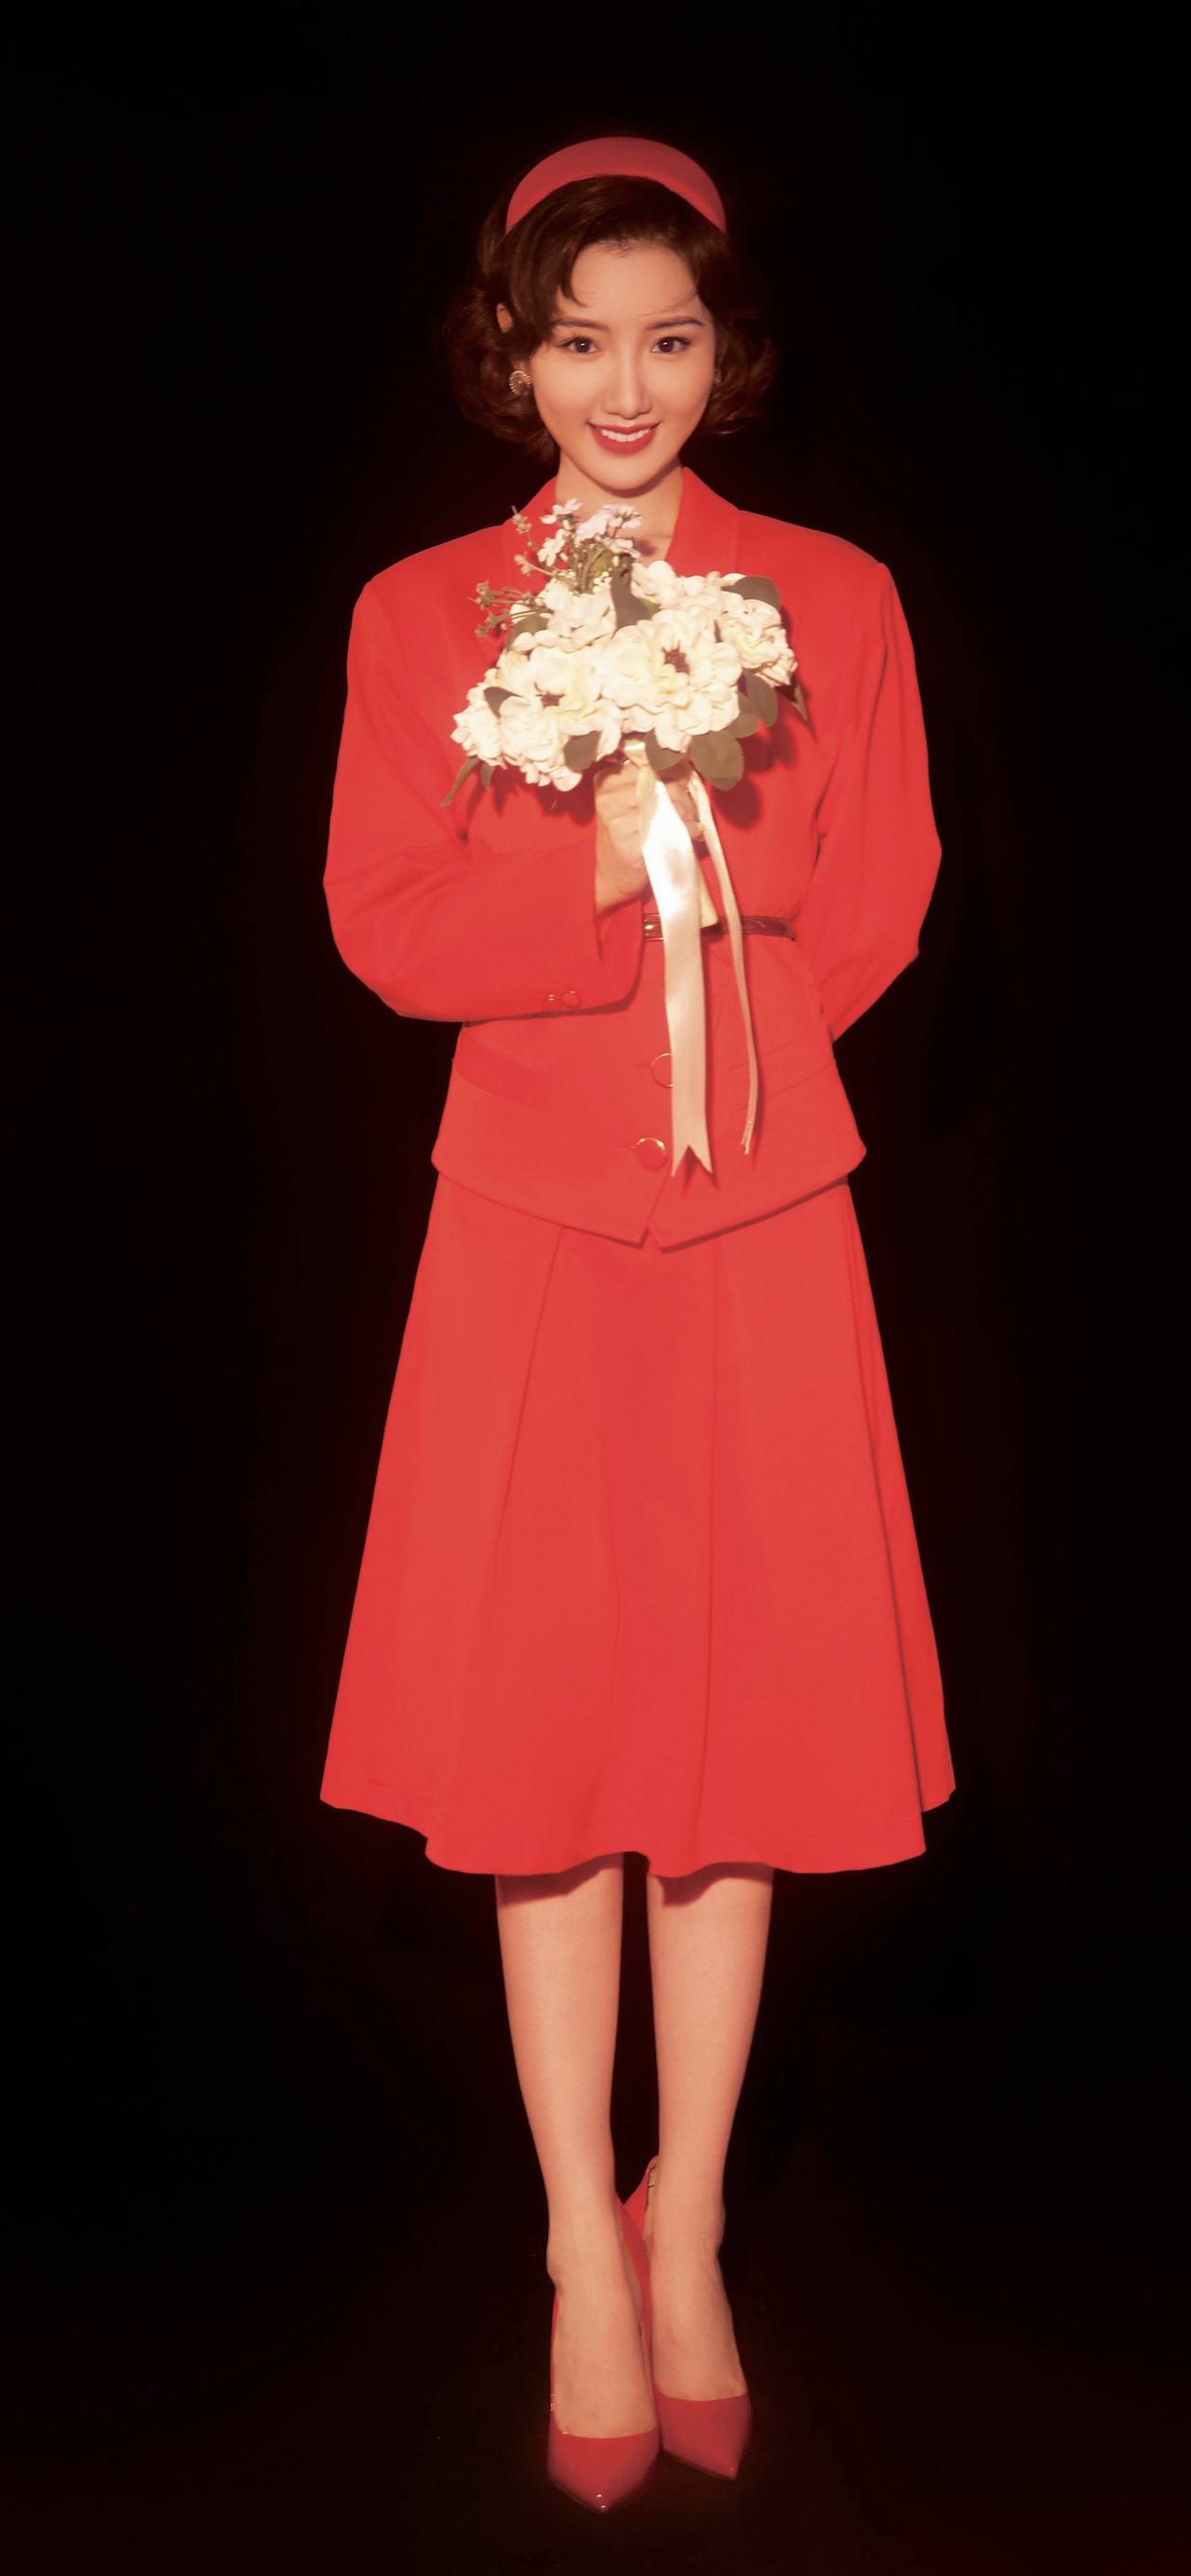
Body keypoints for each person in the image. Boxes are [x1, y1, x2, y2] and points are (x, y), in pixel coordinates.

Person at [317, 132, 957, 2511]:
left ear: (724, 351)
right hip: (529, 1217)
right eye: (578, 337)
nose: (623, 384)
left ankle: (690, 2222)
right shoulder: (421, 611)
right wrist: (594, 893)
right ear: (511, 351)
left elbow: (878, 891)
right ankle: (577, 2236)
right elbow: (385, 921)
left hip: (764, 1207)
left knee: (739, 1729)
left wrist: (736, 1027)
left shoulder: (836, 594)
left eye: (667, 338)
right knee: (549, 1736)